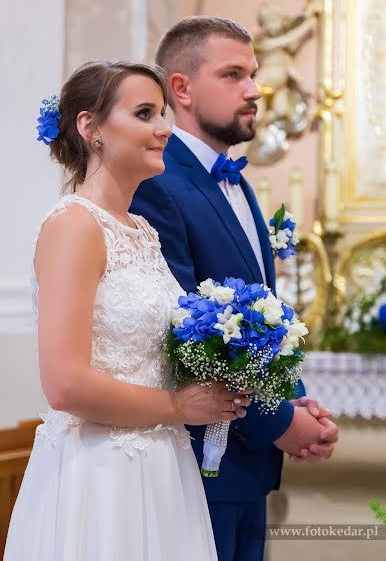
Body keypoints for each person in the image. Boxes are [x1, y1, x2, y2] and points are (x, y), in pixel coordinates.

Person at [4, 60, 253, 561]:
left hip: (162, 467)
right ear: (90, 128)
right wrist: (179, 407)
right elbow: (65, 384)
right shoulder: (74, 227)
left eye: (162, 113)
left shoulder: (142, 230)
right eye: (144, 113)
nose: (164, 128)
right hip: (100, 475)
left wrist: (220, 368)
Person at [130, 17, 339, 561]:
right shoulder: (157, 186)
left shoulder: (238, 182)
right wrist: (279, 423)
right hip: (201, 461)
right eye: (233, 75)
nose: (254, 89)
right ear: (182, 88)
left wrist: (297, 405)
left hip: (247, 469)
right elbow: (180, 334)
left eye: (253, 73)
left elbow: (256, 323)